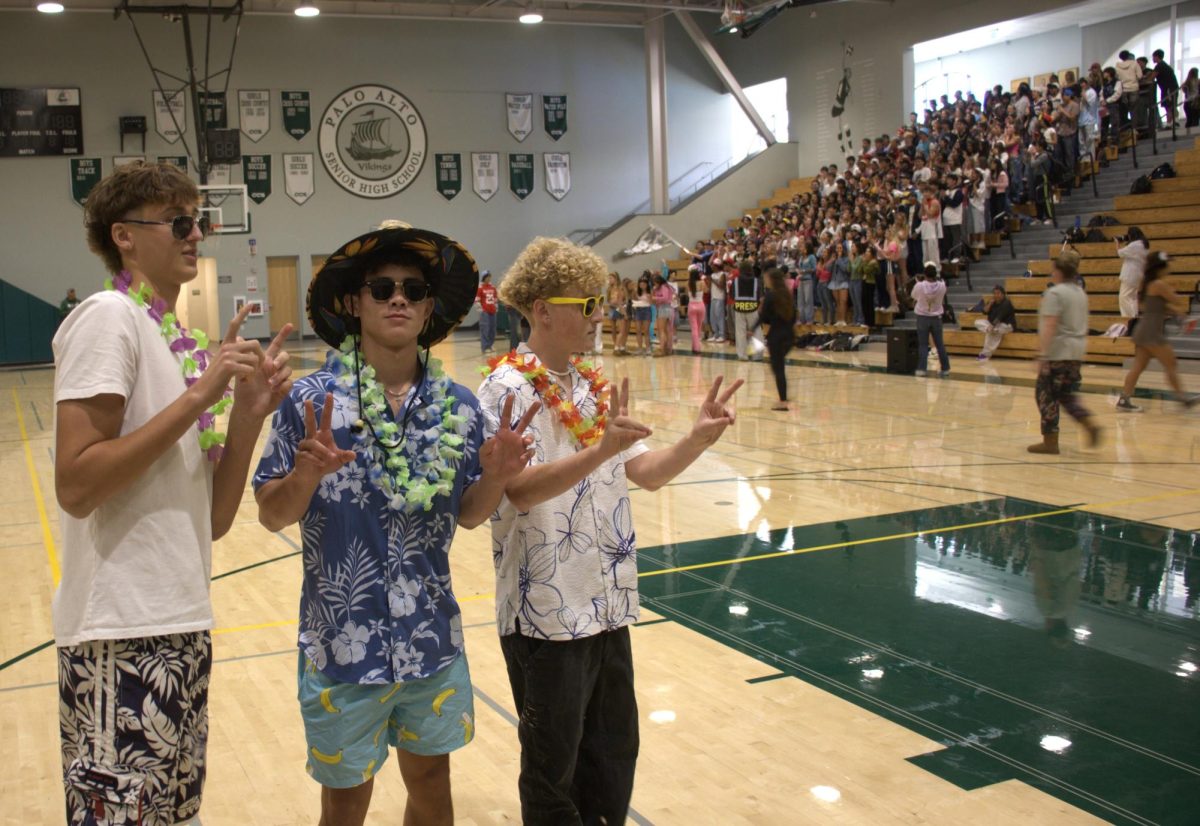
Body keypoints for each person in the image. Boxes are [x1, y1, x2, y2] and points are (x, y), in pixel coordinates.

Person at [253, 222, 539, 825]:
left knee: (433, 784)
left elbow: (469, 515)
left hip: (431, 639)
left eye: (413, 289)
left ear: (430, 308)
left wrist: (496, 476)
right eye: (381, 288)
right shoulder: (310, 401)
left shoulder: (460, 406)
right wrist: (304, 475)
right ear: (354, 304)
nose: (398, 299)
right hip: (341, 642)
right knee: (345, 801)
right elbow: (271, 512)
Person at [53, 160, 293, 825]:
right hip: (119, 636)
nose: (196, 234)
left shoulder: (170, 337)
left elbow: (212, 521)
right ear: (124, 236)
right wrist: (200, 395)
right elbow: (76, 484)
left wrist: (246, 416)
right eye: (179, 222)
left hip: (182, 625)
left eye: (198, 221)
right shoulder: (108, 317)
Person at [477, 236, 744, 826]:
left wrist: (696, 439)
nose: (600, 314)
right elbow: (518, 490)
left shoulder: (591, 386)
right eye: (587, 304)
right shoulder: (504, 388)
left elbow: (646, 472)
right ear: (543, 309)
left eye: (600, 302)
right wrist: (599, 453)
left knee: (614, 757)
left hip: (607, 604)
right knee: (553, 774)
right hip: (547, 613)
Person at [1028, 254, 1101, 454]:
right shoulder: (1080, 293)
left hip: (1057, 351)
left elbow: (1050, 324)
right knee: (1066, 394)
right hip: (1076, 351)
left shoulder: (1055, 293)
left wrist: (1042, 354)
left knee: (1045, 395)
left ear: (1058, 271)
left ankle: (1050, 441)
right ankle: (1087, 421)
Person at [1116, 251, 1198, 411]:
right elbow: (1176, 300)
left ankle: (1124, 399)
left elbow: (1159, 307)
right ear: (1160, 267)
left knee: (1138, 367)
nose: (1169, 267)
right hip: (1152, 332)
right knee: (1171, 363)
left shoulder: (1148, 284)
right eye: (1167, 264)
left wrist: (1181, 315)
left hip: (1144, 330)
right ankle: (1183, 399)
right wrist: (1178, 307)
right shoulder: (1159, 285)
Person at [758, 267, 795, 410]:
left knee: (778, 369)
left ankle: (783, 401)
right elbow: (793, 316)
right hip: (789, 336)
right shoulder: (787, 295)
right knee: (779, 368)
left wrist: (753, 327)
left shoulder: (770, 296)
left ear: (772, 280)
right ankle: (783, 396)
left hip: (776, 337)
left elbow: (764, 318)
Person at [912, 262, 949, 378]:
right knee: (940, 344)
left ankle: (922, 369)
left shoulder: (919, 285)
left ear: (925, 274)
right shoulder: (942, 285)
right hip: (936, 317)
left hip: (922, 317)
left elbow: (913, 296)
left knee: (923, 344)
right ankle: (945, 368)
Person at [731, 262, 764, 360]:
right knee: (756, 331)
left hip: (739, 307)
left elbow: (732, 295)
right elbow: (761, 296)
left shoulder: (735, 280)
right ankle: (757, 356)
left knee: (740, 332)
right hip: (752, 308)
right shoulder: (757, 281)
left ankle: (742, 355)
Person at [975, 285, 1017, 360]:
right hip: (994, 325)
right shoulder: (992, 301)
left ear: (1003, 294)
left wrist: (992, 326)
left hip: (1006, 325)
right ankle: (993, 330)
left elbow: (1000, 317)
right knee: (977, 322)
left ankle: (985, 355)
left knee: (992, 333)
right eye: (994, 293)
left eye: (998, 293)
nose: (996, 295)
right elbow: (984, 311)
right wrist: (990, 304)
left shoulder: (1006, 303)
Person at [1117, 227, 1150, 319]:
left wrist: (1117, 243)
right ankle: (1134, 315)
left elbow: (1120, 253)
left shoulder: (1135, 245)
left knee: (1124, 297)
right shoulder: (1144, 245)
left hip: (1130, 274)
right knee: (1133, 297)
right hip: (1138, 274)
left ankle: (1130, 318)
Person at [1153, 49, 1180, 126]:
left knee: (1169, 106)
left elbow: (1152, 77)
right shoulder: (1165, 66)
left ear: (1157, 57)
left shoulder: (1160, 65)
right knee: (1171, 105)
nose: (1153, 59)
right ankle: (1174, 121)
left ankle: (1170, 123)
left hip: (1168, 89)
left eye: (1153, 57)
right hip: (1171, 88)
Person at [476, 270, 499, 353]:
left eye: (490, 277)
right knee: (485, 329)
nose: (489, 278)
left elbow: (495, 298)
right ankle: (485, 347)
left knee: (492, 329)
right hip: (484, 312)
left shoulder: (493, 287)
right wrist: (481, 310)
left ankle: (490, 345)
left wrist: (496, 308)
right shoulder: (480, 287)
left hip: (493, 311)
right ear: (484, 278)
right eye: (487, 277)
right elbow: (477, 300)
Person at [686, 270, 707, 354]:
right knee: (699, 327)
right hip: (701, 305)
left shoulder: (688, 283)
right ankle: (695, 346)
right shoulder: (702, 282)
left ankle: (696, 347)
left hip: (691, 305)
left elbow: (686, 293)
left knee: (694, 328)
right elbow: (706, 290)